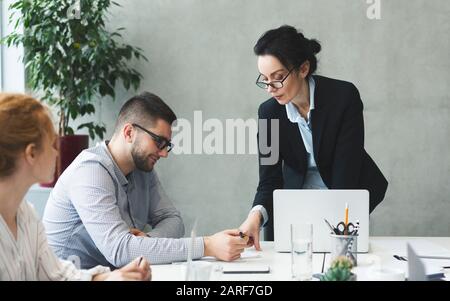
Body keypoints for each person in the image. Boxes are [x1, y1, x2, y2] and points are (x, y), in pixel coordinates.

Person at [43, 92, 247, 269]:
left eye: (167, 145)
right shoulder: (91, 172)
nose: (164, 153)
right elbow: (121, 251)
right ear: (129, 132)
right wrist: (207, 245)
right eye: (159, 142)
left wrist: (147, 240)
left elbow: (173, 220)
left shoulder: (142, 170)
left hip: (116, 276)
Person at [239, 25, 388, 248]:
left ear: (303, 68)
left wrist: (337, 231)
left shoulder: (343, 98)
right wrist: (255, 217)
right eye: (264, 79)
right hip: (299, 202)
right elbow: (269, 179)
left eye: (278, 78)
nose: (270, 88)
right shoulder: (268, 113)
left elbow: (345, 176)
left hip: (344, 198)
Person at [0, 93, 151, 280]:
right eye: (51, 144)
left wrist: (107, 278)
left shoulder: (26, 214)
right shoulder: (90, 169)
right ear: (31, 154)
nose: (57, 153)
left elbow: (56, 274)